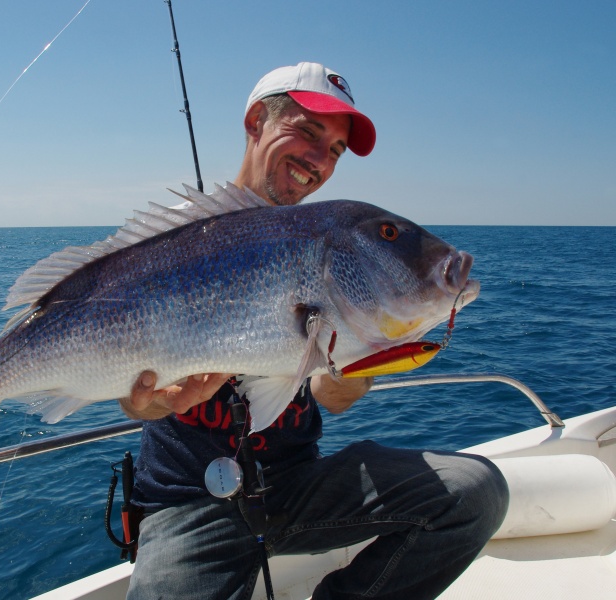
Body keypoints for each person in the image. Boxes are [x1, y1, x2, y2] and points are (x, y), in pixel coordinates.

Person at [119, 62, 509, 600]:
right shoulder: (173, 240)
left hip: (299, 485)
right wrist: (145, 404)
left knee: (475, 494)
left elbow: (333, 395)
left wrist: (368, 355)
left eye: (335, 150)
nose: (319, 160)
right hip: (189, 500)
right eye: (306, 131)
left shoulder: (328, 248)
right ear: (257, 121)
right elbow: (124, 385)